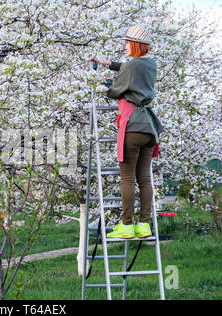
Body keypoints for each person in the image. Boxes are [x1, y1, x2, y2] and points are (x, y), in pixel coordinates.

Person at [90, 25, 164, 239]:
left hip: (132, 126)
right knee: (145, 178)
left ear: (135, 45)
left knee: (127, 178)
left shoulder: (132, 67)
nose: (125, 46)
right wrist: (109, 64)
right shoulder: (150, 64)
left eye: (127, 42)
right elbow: (129, 69)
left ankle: (126, 225)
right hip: (149, 129)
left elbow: (115, 91)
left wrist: (100, 82)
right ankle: (144, 225)